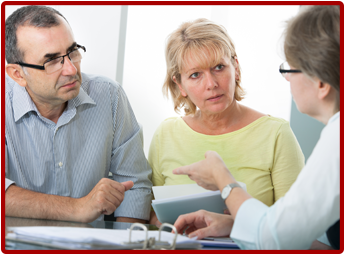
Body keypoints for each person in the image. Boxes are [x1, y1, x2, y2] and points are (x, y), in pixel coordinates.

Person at [173, 5, 340, 250]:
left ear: (322, 83)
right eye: (196, 74)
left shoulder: (336, 143)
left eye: (290, 69)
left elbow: (277, 239)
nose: (287, 79)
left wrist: (222, 178)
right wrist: (234, 225)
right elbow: (308, 239)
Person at [148, 18, 304, 225]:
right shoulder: (165, 134)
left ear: (236, 68)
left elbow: (294, 225)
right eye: (195, 75)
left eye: (219, 67)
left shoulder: (276, 134)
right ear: (180, 85)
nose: (211, 84)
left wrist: (232, 226)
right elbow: (151, 216)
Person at [5, 6, 152, 223]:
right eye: (52, 60)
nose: (71, 70)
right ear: (18, 74)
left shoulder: (110, 96)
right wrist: (77, 208)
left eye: (72, 51)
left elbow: (134, 186)